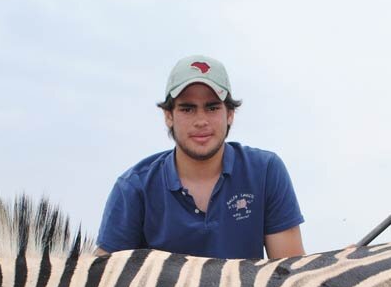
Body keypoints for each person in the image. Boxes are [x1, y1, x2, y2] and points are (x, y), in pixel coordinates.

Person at [95, 55, 305, 259]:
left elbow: (291, 276)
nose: (201, 120)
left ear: (230, 114)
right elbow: (104, 281)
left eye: (212, 107)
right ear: (169, 116)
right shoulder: (133, 187)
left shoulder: (266, 171)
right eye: (187, 109)